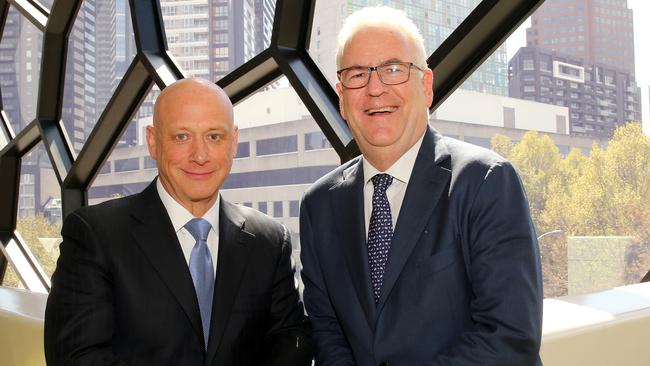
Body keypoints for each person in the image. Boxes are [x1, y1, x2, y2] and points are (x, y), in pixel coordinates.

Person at [300, 6, 543, 366]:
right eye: (356, 74)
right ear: (341, 98)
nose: (375, 88)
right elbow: (326, 329)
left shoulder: (486, 182)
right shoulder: (318, 205)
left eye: (393, 69)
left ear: (426, 86)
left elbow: (509, 336)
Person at [45, 78, 313, 365]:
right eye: (181, 137)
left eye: (214, 137)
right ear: (153, 141)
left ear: (233, 142)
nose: (199, 155)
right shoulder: (96, 235)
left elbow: (290, 341)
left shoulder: (270, 242)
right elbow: (77, 357)